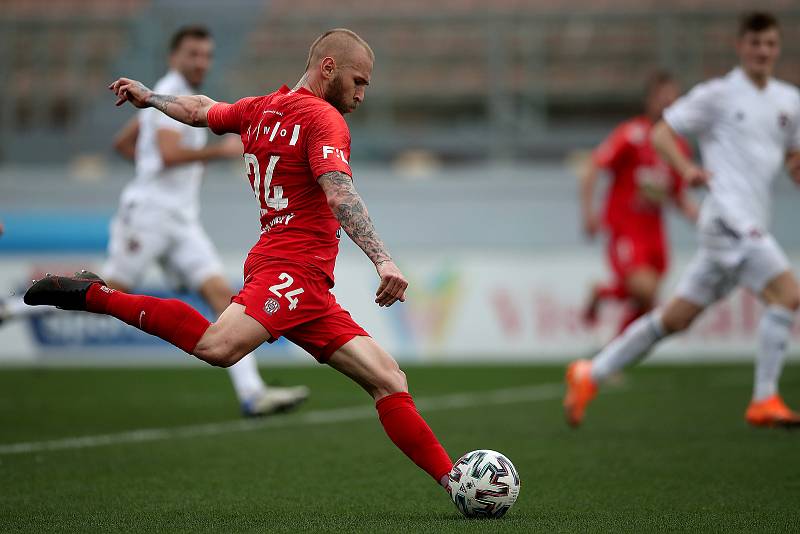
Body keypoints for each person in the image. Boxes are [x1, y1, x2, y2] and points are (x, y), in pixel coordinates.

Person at [25, 28, 455, 489]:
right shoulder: (324, 120)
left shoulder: (259, 108)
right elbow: (339, 191)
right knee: (218, 346)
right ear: (328, 67)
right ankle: (97, 295)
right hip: (291, 271)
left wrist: (150, 98)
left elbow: (199, 110)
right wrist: (383, 259)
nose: (362, 93)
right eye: (359, 81)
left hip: (301, 280)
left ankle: (454, 482)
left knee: (390, 379)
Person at [2, 26, 309, 417]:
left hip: (180, 219)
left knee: (221, 295)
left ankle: (253, 393)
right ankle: (11, 309)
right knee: (109, 291)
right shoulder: (170, 86)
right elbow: (166, 154)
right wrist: (218, 153)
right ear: (174, 58)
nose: (201, 62)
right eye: (193, 54)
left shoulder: (167, 99)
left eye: (207, 55)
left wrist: (149, 163)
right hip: (149, 215)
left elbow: (126, 143)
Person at [565, 11, 800, 428]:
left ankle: (590, 373)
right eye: (755, 43)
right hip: (729, 217)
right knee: (787, 294)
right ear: (740, 46)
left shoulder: (789, 101)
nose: (763, 51)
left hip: (744, 222)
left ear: (778, 48)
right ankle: (764, 398)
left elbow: (791, 156)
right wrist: (687, 170)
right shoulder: (718, 94)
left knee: (673, 319)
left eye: (770, 44)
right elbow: (663, 133)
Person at [581, 71, 698, 335]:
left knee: (647, 302)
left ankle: (611, 346)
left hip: (654, 233)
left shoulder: (679, 147)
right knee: (644, 290)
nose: (668, 103)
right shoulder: (631, 135)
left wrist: (699, 217)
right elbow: (593, 165)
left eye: (673, 98)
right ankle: (611, 350)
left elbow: (676, 195)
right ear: (650, 101)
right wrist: (589, 213)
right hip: (626, 227)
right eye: (662, 97)